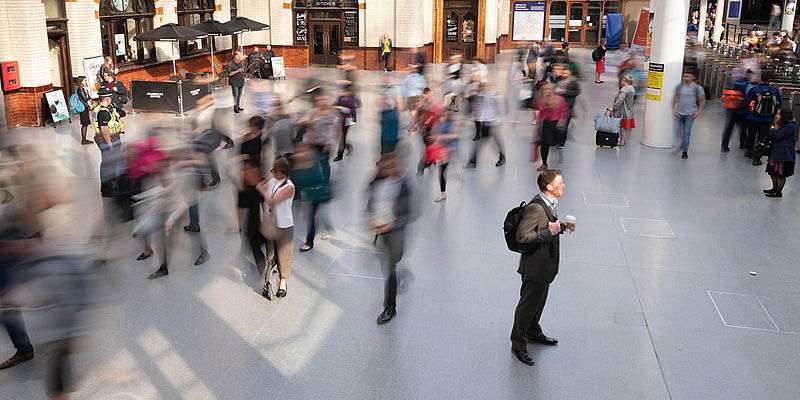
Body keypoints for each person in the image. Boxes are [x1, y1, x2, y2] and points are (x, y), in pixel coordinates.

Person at [510, 169, 574, 366]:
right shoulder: (536, 208)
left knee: (538, 302)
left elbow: (547, 228)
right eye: (560, 182)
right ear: (549, 187)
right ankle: (518, 342)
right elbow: (522, 236)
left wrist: (561, 227)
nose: (563, 185)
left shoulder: (550, 203)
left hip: (545, 267)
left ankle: (532, 331)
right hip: (535, 268)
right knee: (527, 305)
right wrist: (549, 232)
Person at [366, 153, 413, 325]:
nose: (384, 169)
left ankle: (390, 307)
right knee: (387, 263)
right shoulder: (375, 181)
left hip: (395, 232)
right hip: (380, 230)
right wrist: (371, 218)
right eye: (382, 167)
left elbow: (408, 213)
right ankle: (396, 273)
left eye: (388, 167)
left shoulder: (403, 186)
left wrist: (390, 225)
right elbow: (370, 201)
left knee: (390, 268)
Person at [255, 157, 295, 297]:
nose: (272, 173)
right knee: (270, 253)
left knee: (284, 254)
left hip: (285, 225)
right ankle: (269, 280)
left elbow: (273, 200)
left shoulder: (289, 187)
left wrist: (261, 189)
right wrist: (262, 187)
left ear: (282, 173)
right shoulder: (273, 181)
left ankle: (283, 282)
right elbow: (265, 188)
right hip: (272, 223)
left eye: (274, 170)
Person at [238, 116, 266, 270]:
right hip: (249, 179)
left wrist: (246, 158)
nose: (251, 128)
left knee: (252, 228)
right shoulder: (246, 138)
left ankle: (262, 264)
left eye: (254, 126)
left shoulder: (260, 141)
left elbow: (259, 159)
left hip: (254, 181)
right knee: (252, 224)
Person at [292, 144, 331, 253]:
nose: (300, 154)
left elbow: (325, 177)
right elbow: (297, 185)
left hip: (318, 194)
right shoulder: (295, 166)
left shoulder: (318, 161)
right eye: (298, 151)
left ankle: (310, 241)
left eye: (303, 151)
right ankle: (327, 227)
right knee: (316, 215)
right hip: (309, 196)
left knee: (311, 217)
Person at [745, 71, 782, 166]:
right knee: (762, 138)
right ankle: (757, 155)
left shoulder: (754, 90)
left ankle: (749, 152)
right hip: (767, 119)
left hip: (753, 117)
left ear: (760, 79)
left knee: (751, 136)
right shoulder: (775, 91)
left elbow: (747, 102)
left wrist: (750, 113)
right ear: (770, 80)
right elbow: (779, 105)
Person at [466, 82, 506, 168]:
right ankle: (473, 161)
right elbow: (479, 109)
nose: (480, 89)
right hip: (486, 123)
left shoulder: (494, 96)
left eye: (481, 88)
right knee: (484, 142)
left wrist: (498, 120)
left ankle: (502, 157)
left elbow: (501, 109)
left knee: (491, 142)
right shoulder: (480, 96)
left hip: (493, 123)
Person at [533, 83, 568, 171]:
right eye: (545, 90)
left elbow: (564, 111)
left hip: (556, 124)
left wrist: (561, 121)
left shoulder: (560, 100)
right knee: (544, 144)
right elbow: (540, 112)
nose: (547, 92)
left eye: (548, 90)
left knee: (553, 142)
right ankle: (544, 163)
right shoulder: (542, 101)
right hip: (547, 123)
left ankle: (556, 151)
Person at [672, 71, 705, 159]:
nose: (686, 78)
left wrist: (698, 111)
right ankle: (683, 143)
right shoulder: (679, 86)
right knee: (677, 130)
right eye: (685, 76)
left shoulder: (698, 88)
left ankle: (685, 152)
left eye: (688, 76)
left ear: (693, 77)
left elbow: (702, 100)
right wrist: (673, 109)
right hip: (679, 113)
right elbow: (675, 97)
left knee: (687, 132)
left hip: (690, 114)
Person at [764, 108, 797, 197]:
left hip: (784, 154)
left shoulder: (790, 126)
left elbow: (778, 136)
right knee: (772, 172)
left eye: (778, 114)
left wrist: (772, 129)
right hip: (775, 152)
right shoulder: (778, 124)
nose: (776, 115)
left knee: (780, 174)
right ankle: (774, 188)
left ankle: (778, 192)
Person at [721, 70, 752, 152]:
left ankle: (724, 145)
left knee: (729, 128)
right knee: (743, 128)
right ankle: (743, 144)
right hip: (744, 111)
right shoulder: (749, 85)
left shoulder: (736, 83)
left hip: (732, 109)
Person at [433, 110, 459, 203]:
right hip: (443, 148)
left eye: (447, 114)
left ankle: (443, 194)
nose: (445, 115)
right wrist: (436, 142)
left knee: (442, 171)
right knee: (442, 171)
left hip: (449, 148)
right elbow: (440, 134)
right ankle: (443, 193)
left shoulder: (454, 123)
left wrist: (441, 138)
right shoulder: (443, 122)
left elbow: (454, 135)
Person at [553, 64, 580, 149]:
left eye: (566, 73)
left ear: (570, 73)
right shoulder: (558, 80)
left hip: (567, 105)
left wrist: (565, 91)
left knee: (564, 124)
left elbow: (576, 92)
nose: (564, 74)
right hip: (557, 104)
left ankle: (561, 142)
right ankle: (556, 139)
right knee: (555, 122)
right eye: (563, 73)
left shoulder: (574, 82)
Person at [333, 84, 358, 161]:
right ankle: (348, 146)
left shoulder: (352, 99)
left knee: (342, 137)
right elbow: (334, 105)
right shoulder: (340, 97)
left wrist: (354, 121)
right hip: (338, 119)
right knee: (339, 137)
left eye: (345, 91)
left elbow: (352, 110)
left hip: (347, 120)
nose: (343, 93)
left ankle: (339, 155)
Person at [612, 75, 636, 146]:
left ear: (625, 81)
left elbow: (620, 100)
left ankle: (622, 141)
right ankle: (623, 140)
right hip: (629, 110)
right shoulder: (632, 88)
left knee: (622, 127)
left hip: (623, 111)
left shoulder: (624, 90)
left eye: (622, 80)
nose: (621, 82)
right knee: (624, 127)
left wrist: (614, 107)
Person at [75, 76, 93, 145]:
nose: (86, 82)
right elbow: (85, 98)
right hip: (83, 108)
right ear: (81, 82)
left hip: (84, 108)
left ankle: (84, 139)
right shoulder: (80, 89)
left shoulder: (81, 88)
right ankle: (84, 140)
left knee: (85, 124)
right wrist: (87, 92)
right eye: (85, 80)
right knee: (84, 124)